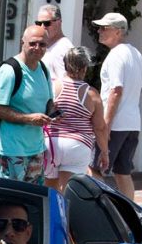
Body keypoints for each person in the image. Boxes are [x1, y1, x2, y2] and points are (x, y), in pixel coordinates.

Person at [0, 25, 53, 183]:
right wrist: (28, 119)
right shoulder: (10, 70)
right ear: (22, 43)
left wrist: (53, 112)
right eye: (33, 43)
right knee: (9, 201)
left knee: (33, 200)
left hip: (35, 148)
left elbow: (49, 101)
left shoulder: (43, 69)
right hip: (11, 149)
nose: (37, 48)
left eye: (42, 44)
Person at [93, 12, 142, 200]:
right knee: (123, 172)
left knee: (95, 170)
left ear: (118, 32)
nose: (99, 31)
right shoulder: (135, 53)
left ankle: (100, 212)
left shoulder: (115, 56)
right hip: (132, 123)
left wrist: (105, 125)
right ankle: (131, 213)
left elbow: (116, 90)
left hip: (116, 124)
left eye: (104, 28)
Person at [44, 46, 109, 193]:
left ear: (65, 64)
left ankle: (50, 215)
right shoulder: (91, 94)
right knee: (67, 190)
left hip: (52, 143)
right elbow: (100, 128)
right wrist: (104, 152)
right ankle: (65, 216)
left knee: (49, 189)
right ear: (85, 67)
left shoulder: (53, 86)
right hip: (77, 146)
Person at [36, 4, 73, 81]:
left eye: (46, 23)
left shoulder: (64, 48)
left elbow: (67, 83)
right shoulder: (43, 46)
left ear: (59, 22)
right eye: (39, 23)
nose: (42, 27)